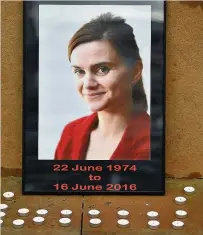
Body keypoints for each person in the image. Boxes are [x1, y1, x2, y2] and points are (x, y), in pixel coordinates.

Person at [55, 12, 150, 160]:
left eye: (102, 69)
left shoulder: (154, 143)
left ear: (135, 71)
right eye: (79, 71)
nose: (87, 84)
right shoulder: (71, 133)